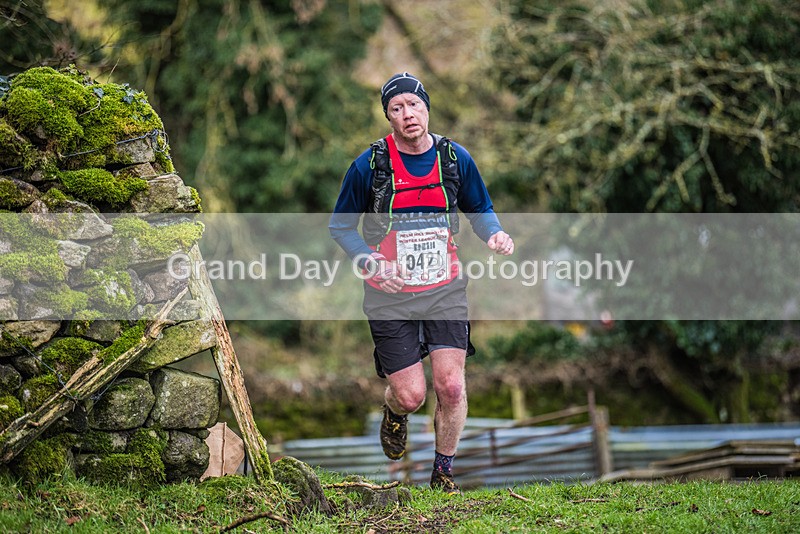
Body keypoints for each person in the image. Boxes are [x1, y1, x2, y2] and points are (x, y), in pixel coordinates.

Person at [329, 72, 513, 494]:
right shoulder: (369, 166)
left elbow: (480, 207)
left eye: (414, 104)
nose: (408, 114)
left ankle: (443, 473)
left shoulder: (454, 159)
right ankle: (394, 413)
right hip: (389, 296)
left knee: (450, 385)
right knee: (412, 395)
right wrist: (370, 261)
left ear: (427, 108)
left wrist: (495, 234)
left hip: (444, 288)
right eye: (397, 108)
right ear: (388, 117)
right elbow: (341, 227)